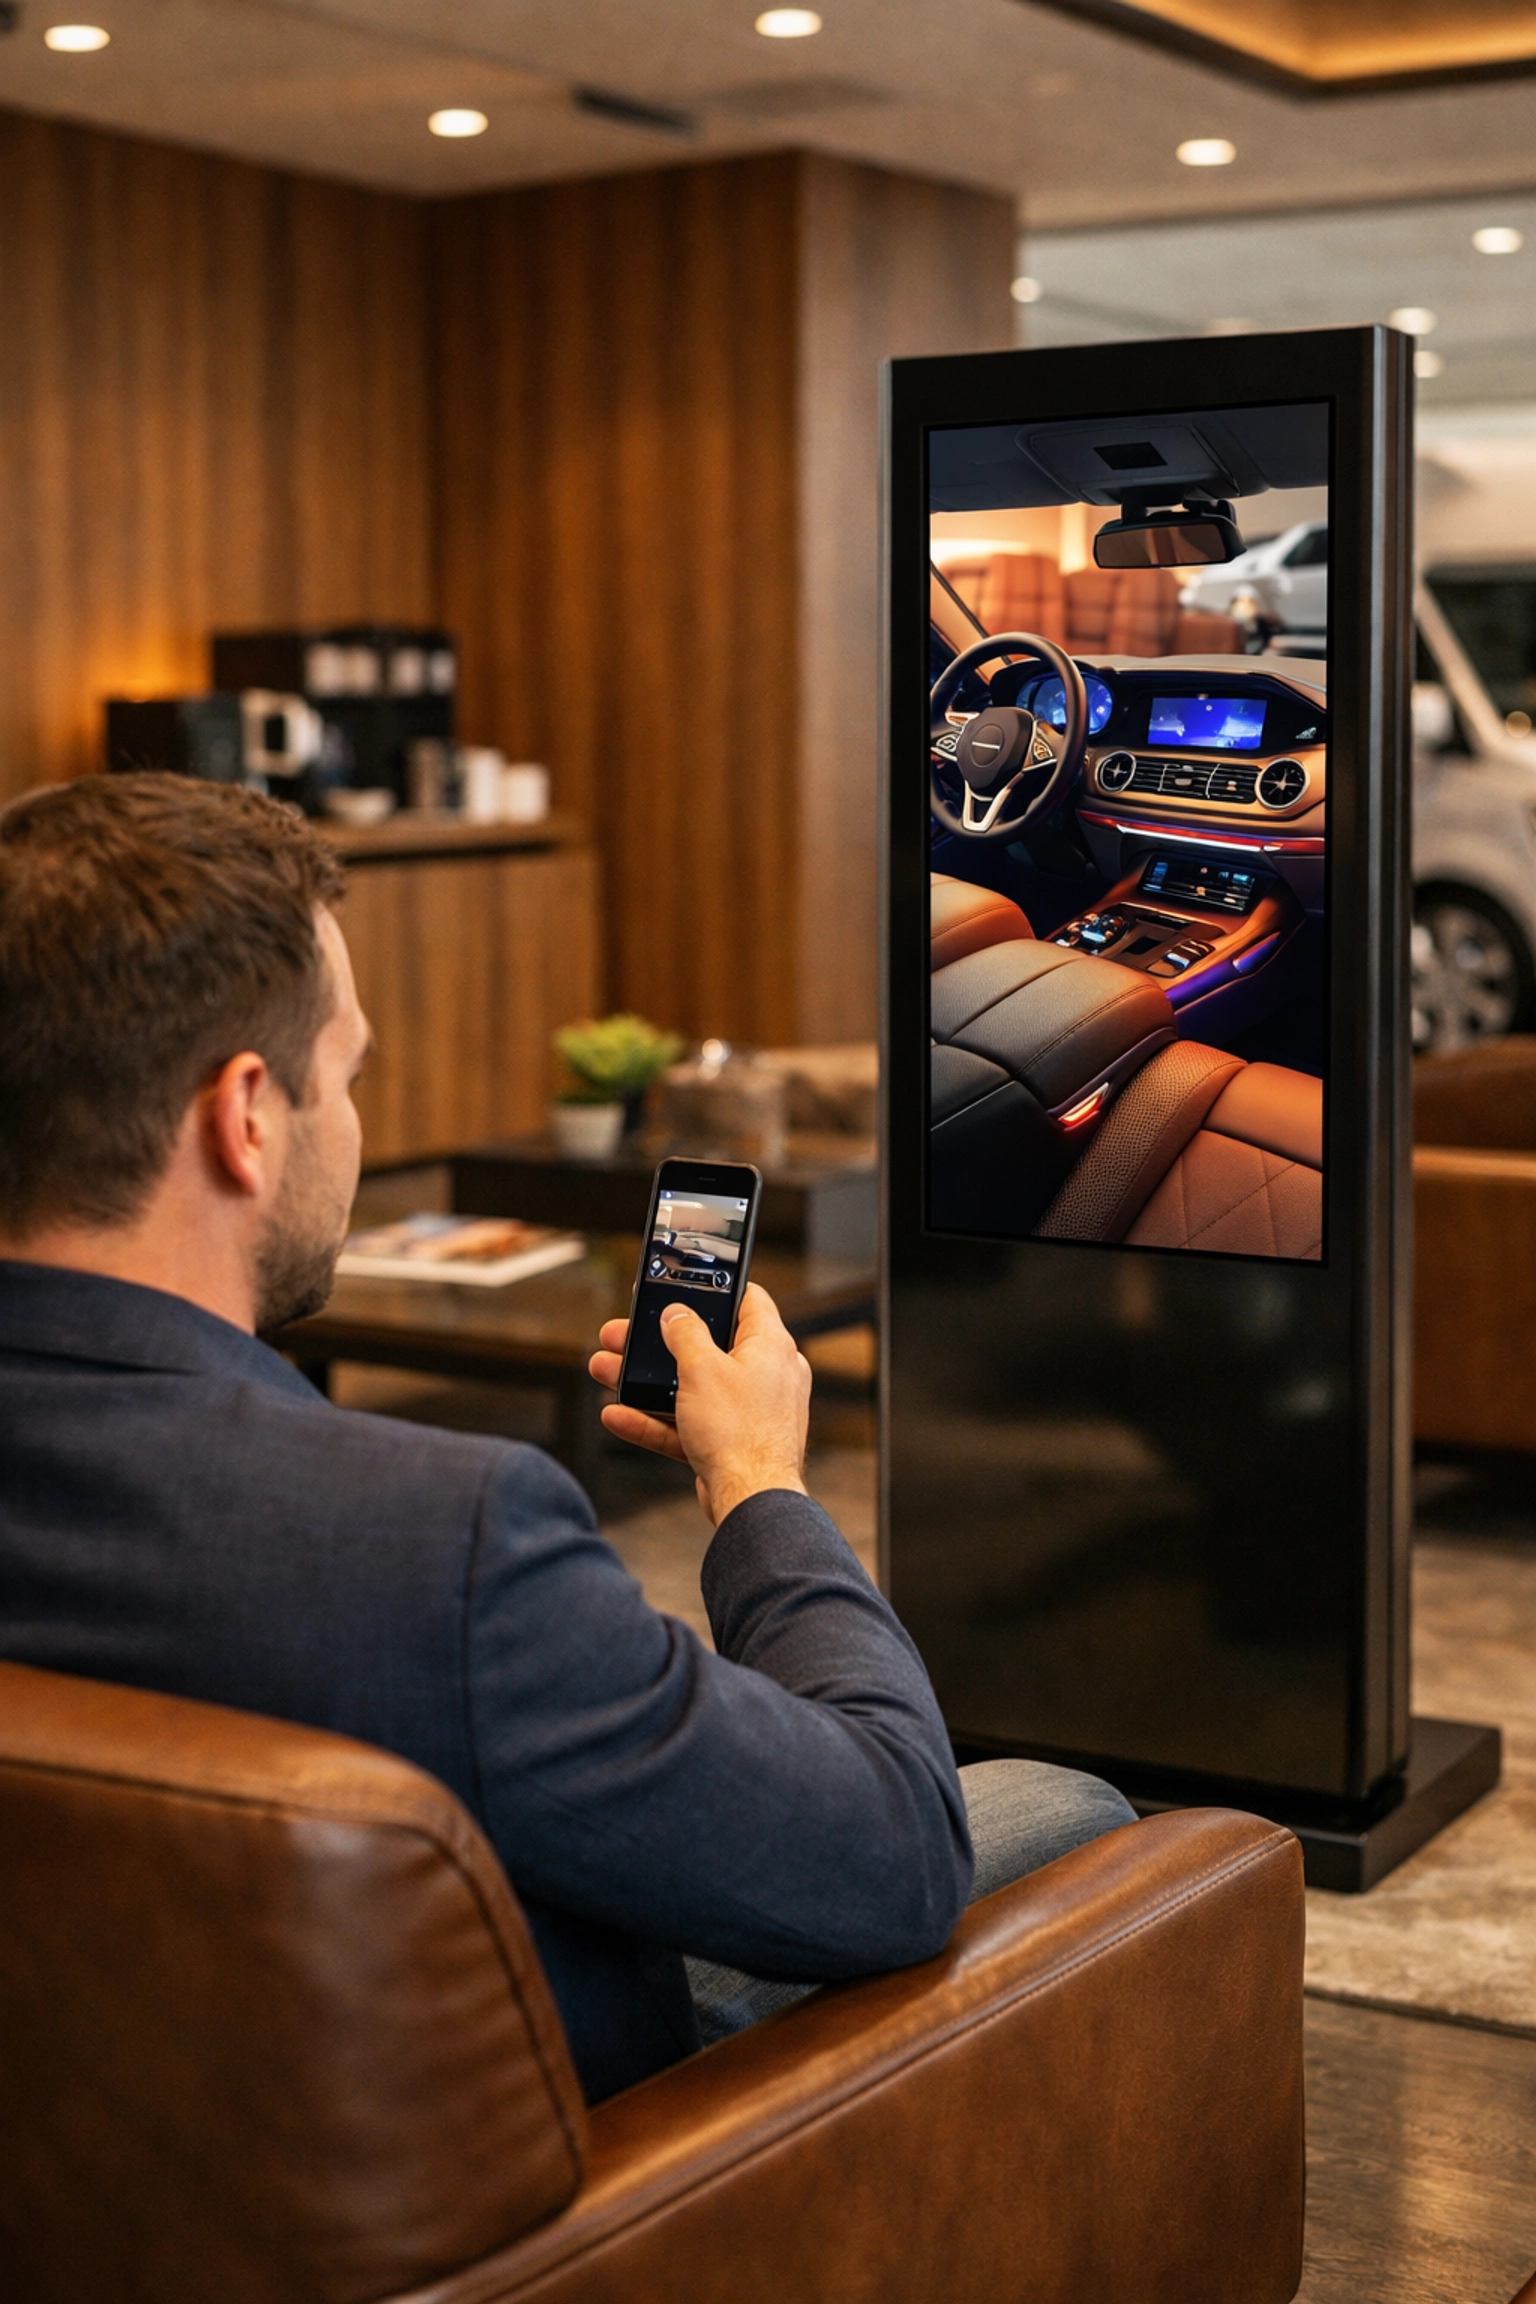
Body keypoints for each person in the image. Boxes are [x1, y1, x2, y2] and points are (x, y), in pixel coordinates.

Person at [0, 773, 1135, 2102]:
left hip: (127, 2127)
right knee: (1067, 1815)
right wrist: (757, 1482)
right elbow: (893, 1857)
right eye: (347, 1075)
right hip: (505, 2145)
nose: (353, 1126)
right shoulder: (439, 1542)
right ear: (245, 1118)